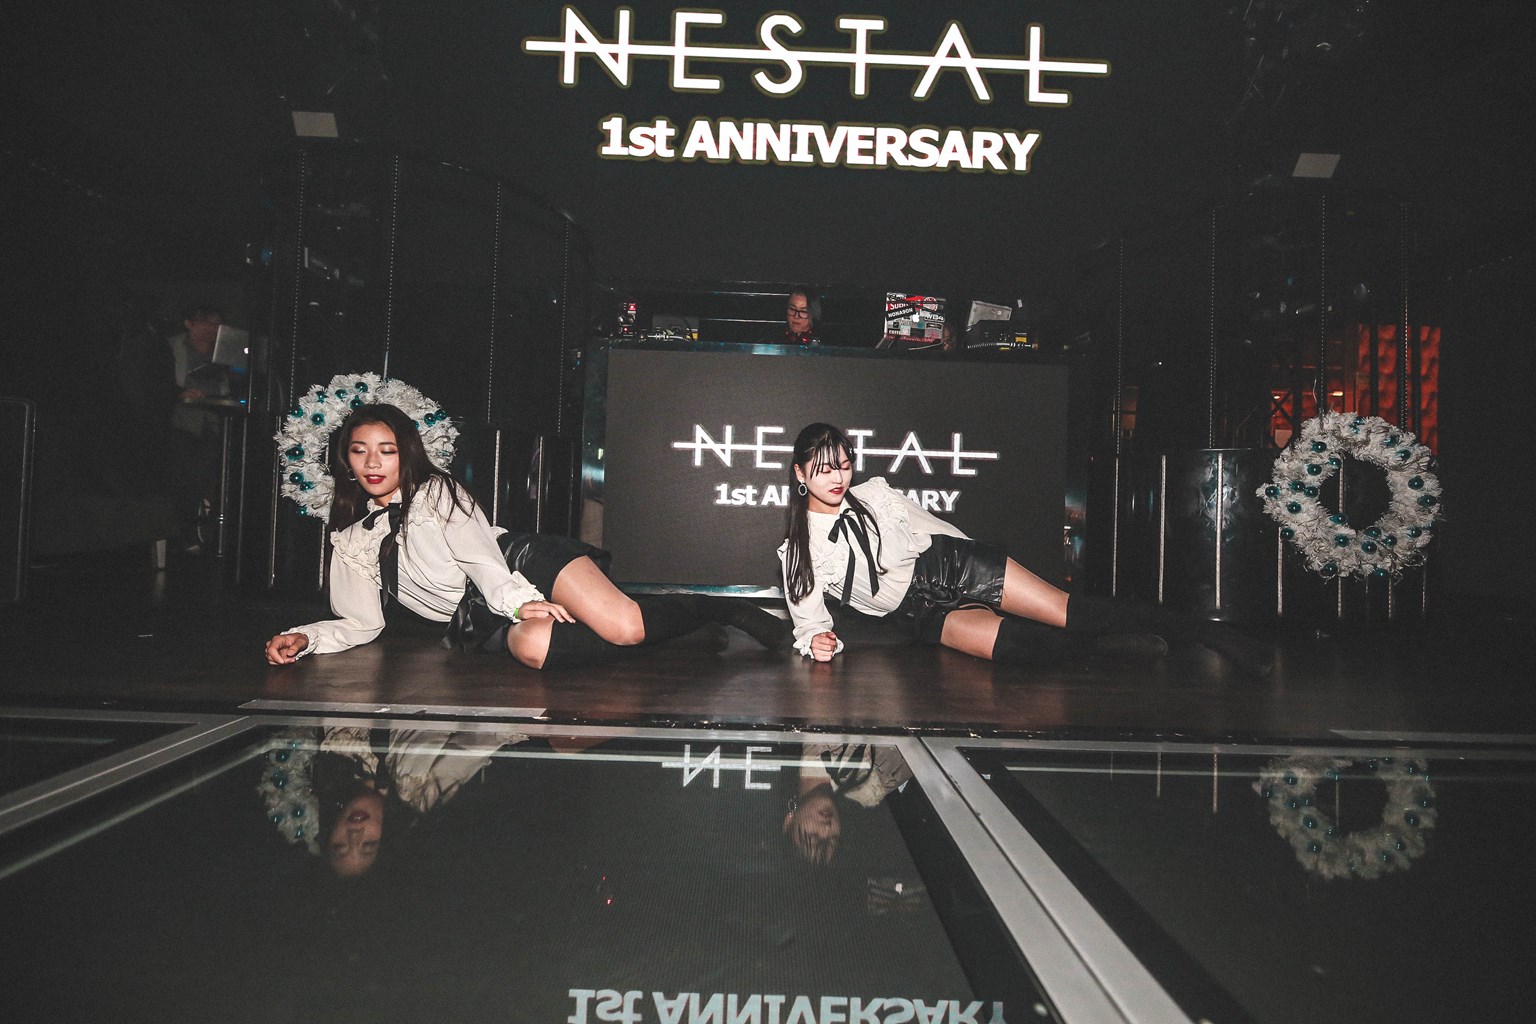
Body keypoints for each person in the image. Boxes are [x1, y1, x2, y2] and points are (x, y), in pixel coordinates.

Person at [265, 403, 787, 670]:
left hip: (518, 564)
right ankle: (680, 631)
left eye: (387, 450)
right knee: (536, 650)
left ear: (408, 453)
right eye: (360, 451)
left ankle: (715, 607)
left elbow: (481, 559)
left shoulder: (436, 493)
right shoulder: (351, 541)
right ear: (346, 460)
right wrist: (306, 638)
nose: (373, 463)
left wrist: (517, 602)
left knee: (625, 627)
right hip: (473, 617)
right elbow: (360, 623)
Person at [778, 423, 1273, 674]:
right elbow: (809, 620)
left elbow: (936, 527)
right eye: (823, 469)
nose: (837, 477)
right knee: (1023, 650)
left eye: (843, 464)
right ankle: (1113, 650)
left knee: (1069, 611)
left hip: (954, 566)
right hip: (919, 613)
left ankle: (1209, 634)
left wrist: (984, 572)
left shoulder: (875, 495)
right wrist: (820, 641)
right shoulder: (799, 550)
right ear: (800, 473)